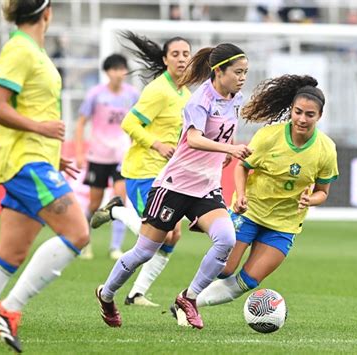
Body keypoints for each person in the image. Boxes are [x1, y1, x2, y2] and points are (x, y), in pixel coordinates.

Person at [0, 1, 89, 354]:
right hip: (26, 163)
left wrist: (52, 153)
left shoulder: (34, 52)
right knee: (77, 232)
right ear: (47, 14)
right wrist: (42, 130)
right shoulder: (19, 50)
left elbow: (33, 108)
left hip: (36, 159)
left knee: (9, 256)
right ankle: (9, 309)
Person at [93, 42, 252, 330]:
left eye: (245, 72)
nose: (243, 78)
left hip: (206, 188)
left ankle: (188, 298)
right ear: (219, 71)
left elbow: (228, 131)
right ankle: (106, 295)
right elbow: (192, 138)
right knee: (144, 251)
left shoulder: (235, 98)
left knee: (226, 239)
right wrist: (228, 150)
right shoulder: (199, 100)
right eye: (238, 72)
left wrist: (225, 151)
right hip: (174, 185)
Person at [195, 75, 339, 309]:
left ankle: (190, 302)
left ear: (319, 116)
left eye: (310, 115)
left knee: (248, 280)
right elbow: (242, 166)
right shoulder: (269, 136)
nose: (302, 119)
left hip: (285, 223)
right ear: (291, 110)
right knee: (226, 269)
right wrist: (240, 195)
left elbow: (323, 192)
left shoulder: (326, 149)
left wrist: (310, 199)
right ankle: (189, 289)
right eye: (298, 112)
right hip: (250, 211)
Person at [91, 31, 192, 307]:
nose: (182, 59)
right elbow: (129, 123)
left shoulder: (185, 92)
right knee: (156, 231)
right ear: (165, 59)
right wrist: (157, 144)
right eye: (175, 54)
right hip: (143, 170)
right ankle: (115, 210)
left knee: (173, 234)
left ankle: (136, 293)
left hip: (168, 173)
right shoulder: (158, 90)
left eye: (186, 54)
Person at [74, 54, 139, 260]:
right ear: (107, 72)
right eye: (115, 69)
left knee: (119, 198)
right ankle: (84, 242)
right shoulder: (95, 94)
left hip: (122, 155)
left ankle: (115, 247)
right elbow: (81, 122)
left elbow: (140, 123)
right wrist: (78, 152)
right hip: (98, 155)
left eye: (122, 69)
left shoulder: (133, 95)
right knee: (94, 204)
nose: (119, 73)